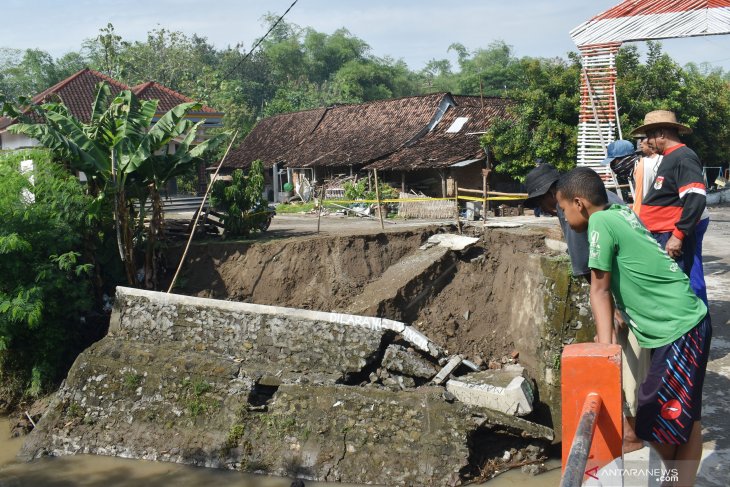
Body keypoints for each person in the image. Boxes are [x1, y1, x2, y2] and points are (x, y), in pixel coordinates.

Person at [556, 167, 710, 486]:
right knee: (681, 420)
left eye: (562, 208)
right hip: (684, 321)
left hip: (678, 327)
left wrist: (603, 351)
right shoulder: (619, 211)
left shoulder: (599, 222)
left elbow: (598, 289)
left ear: (579, 202)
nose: (562, 215)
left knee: (658, 417)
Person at [524, 162, 644, 453]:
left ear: (554, 193)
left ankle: (630, 434)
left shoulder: (575, 211)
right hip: (633, 287)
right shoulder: (603, 198)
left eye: (543, 201)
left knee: (622, 358)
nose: (548, 209)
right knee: (634, 361)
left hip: (626, 295)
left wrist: (611, 310)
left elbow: (590, 273)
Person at [630, 110, 709, 306]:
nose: (648, 141)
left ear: (662, 134)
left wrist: (678, 235)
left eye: (650, 136)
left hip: (669, 236)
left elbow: (696, 198)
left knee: (675, 289)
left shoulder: (684, 157)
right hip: (661, 235)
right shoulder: (670, 157)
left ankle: (691, 333)